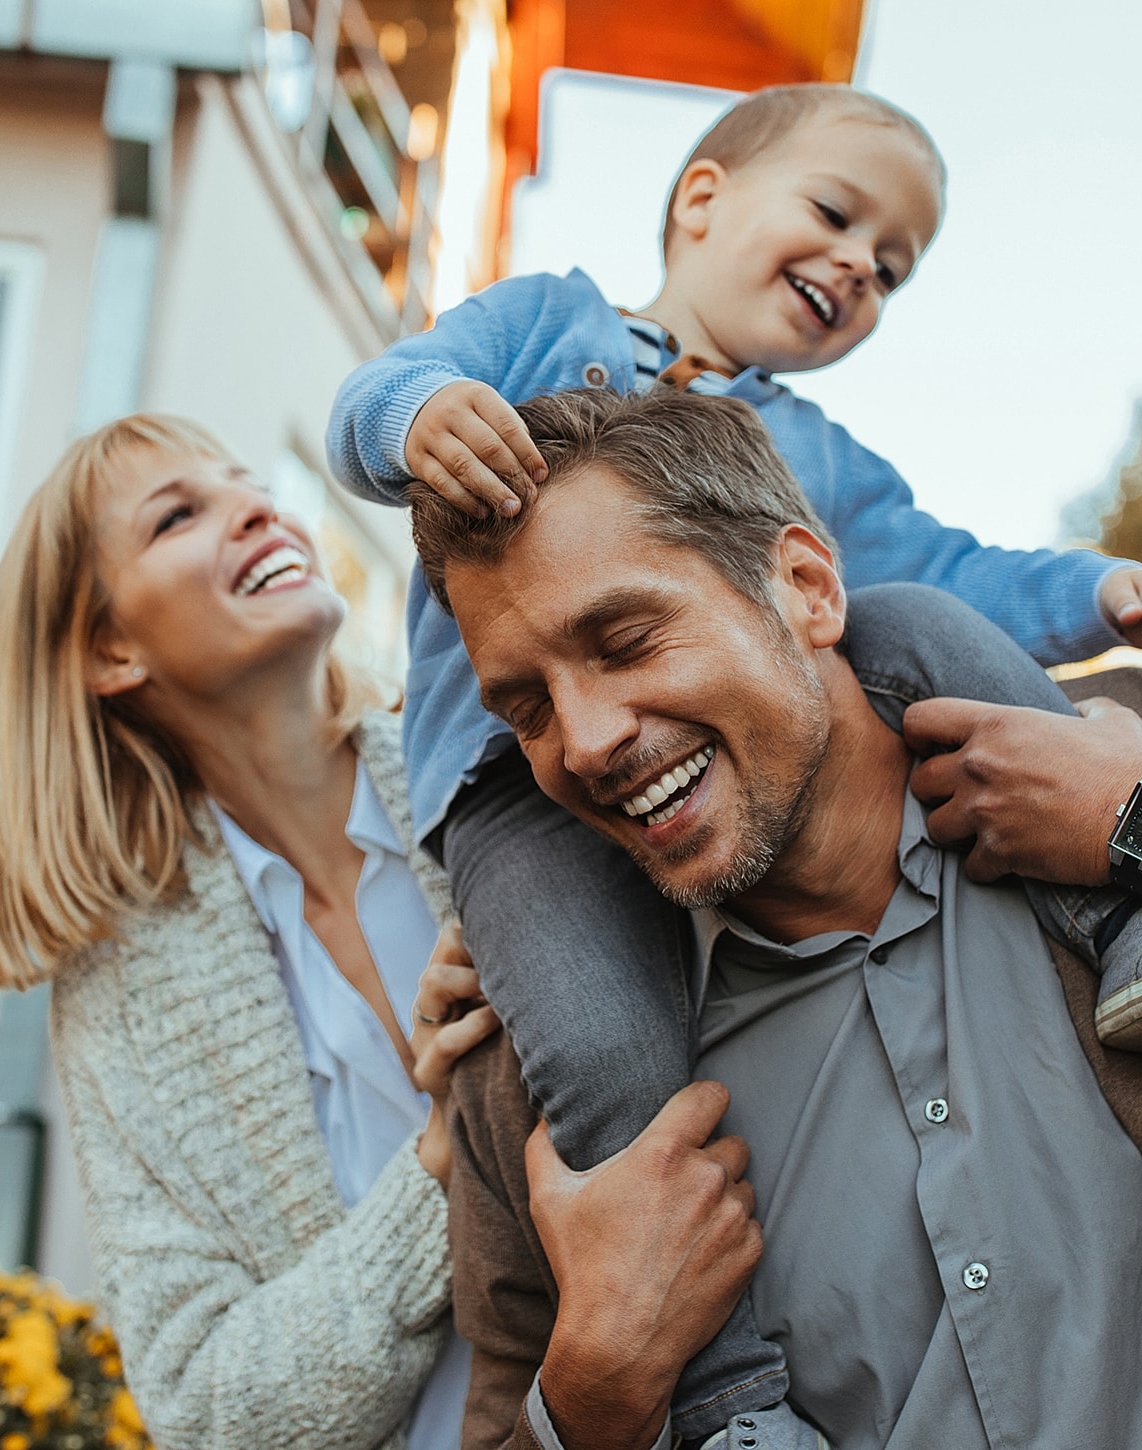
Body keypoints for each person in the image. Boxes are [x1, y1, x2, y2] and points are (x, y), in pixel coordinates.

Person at [327, 82, 1142, 1443]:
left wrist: (1108, 650)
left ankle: (1116, 925)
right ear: (701, 198)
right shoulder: (544, 324)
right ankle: (723, 1394)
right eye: (835, 212)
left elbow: (955, 569)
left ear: (806, 582)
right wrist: (419, 419)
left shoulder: (816, 459)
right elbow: (377, 390)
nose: (858, 265)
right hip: (504, 817)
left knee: (922, 616)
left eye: (891, 265)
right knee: (601, 1045)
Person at [412, 385, 1142, 1450]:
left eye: (625, 641)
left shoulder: (1108, 786)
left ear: (807, 587)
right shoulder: (531, 1091)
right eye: (528, 709)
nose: (586, 740)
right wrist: (595, 1390)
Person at [0, 414, 500, 1450]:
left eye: (248, 482)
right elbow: (204, 1408)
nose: (258, 508)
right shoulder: (122, 994)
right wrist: (440, 1161)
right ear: (110, 649)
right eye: (178, 516)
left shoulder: (483, 779)